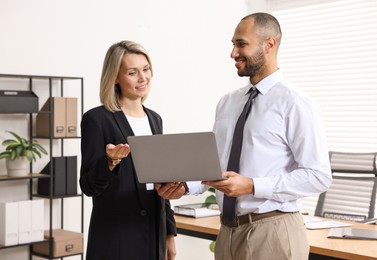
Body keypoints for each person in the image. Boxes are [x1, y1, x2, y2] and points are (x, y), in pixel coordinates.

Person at [157, 12, 332, 260]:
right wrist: (185, 186)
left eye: (242, 44)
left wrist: (251, 185)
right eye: (233, 44)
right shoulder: (228, 103)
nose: (233, 53)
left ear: (269, 44)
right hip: (228, 232)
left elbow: (319, 176)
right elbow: (216, 167)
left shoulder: (295, 103)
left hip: (274, 231)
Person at [80, 40, 179, 260]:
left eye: (146, 69)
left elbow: (162, 178)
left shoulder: (155, 120)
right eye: (133, 72)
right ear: (115, 77)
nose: (143, 78)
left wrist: (169, 233)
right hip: (116, 236)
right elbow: (88, 185)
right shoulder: (97, 119)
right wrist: (109, 162)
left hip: (154, 231)